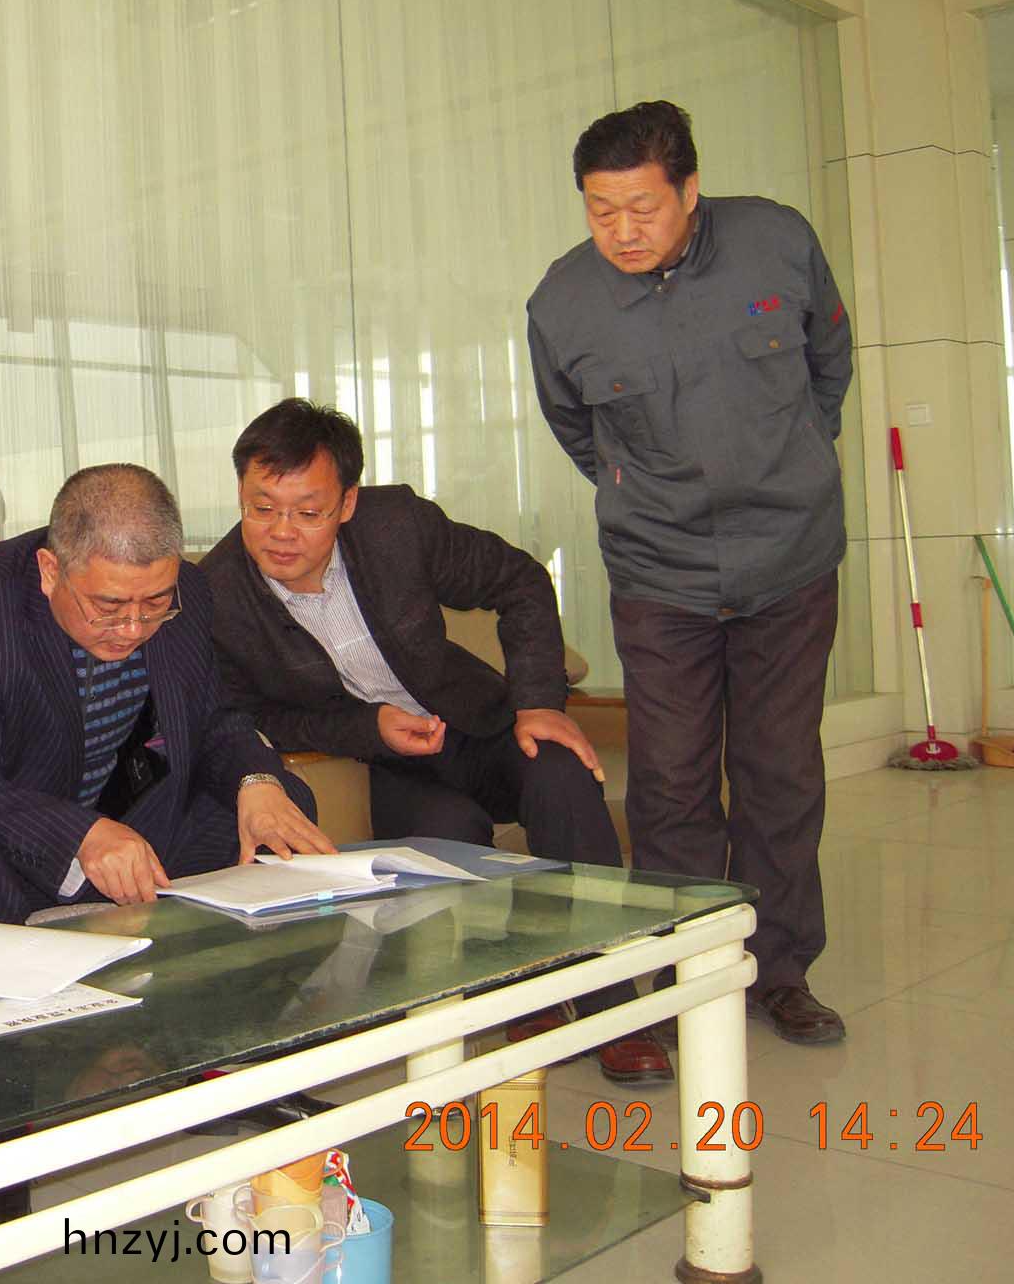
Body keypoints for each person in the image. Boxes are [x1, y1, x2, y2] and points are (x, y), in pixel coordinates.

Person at [200, 399, 669, 1085]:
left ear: (348, 503)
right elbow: (253, 715)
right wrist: (369, 728)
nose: (281, 533)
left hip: (481, 723)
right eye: (261, 508)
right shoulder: (218, 595)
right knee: (443, 835)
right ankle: (523, 989)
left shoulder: (396, 526)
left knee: (562, 775)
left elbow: (519, 580)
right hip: (393, 760)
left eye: (308, 512)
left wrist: (538, 701)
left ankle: (613, 1005)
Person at [527, 100, 854, 1046]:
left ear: (691, 190)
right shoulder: (562, 302)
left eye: (643, 207)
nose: (622, 231)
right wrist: (640, 490)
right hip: (659, 570)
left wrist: (789, 462)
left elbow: (829, 367)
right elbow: (576, 428)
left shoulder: (776, 243)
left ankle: (779, 970)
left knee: (778, 771)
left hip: (789, 558)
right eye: (601, 211)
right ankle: (685, 975)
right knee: (670, 783)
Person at [0, 463, 334, 922]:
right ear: (50, 571)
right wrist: (81, 834)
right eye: (109, 606)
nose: (134, 629)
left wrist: (255, 782)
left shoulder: (188, 589)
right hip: (36, 836)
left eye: (155, 603)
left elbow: (214, 717)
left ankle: (210, 958)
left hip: (146, 818)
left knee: (283, 808)